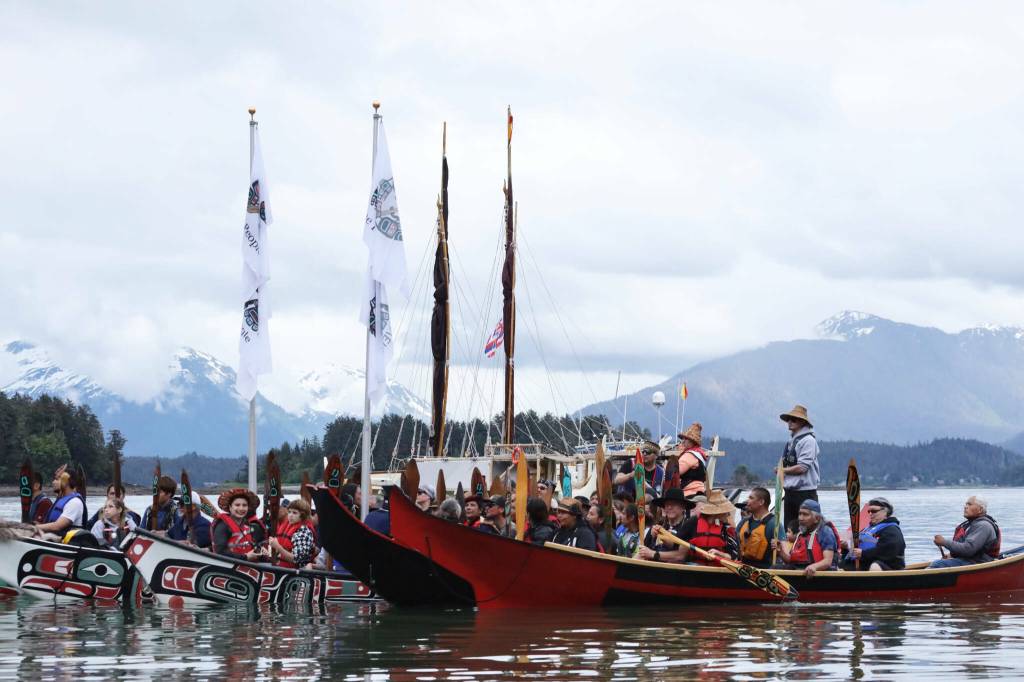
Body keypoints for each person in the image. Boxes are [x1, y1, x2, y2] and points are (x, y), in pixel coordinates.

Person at [659, 489, 738, 565]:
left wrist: (720, 554)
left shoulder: (727, 528)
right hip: (694, 568)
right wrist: (662, 535)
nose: (728, 514)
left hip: (718, 569)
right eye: (725, 512)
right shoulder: (692, 522)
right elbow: (676, 545)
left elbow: (734, 556)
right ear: (716, 513)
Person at [929, 496, 1001, 568]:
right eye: (966, 504)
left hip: (979, 562)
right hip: (971, 560)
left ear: (980, 509)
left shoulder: (983, 526)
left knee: (937, 564)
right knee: (939, 563)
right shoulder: (971, 524)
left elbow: (968, 549)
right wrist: (952, 555)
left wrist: (944, 542)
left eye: (969, 504)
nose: (965, 507)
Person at [772, 499, 837, 577]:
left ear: (817, 519)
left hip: (819, 573)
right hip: (799, 570)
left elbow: (827, 561)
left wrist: (814, 566)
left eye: (805, 514)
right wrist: (780, 551)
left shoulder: (825, 532)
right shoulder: (801, 533)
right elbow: (790, 560)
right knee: (774, 568)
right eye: (800, 514)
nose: (800, 518)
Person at [779, 405, 820, 527]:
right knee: (790, 528)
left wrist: (782, 471)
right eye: (789, 420)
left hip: (805, 493)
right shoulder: (791, 441)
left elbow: (802, 468)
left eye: (794, 419)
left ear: (802, 422)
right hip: (790, 492)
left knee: (808, 528)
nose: (790, 422)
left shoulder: (808, 440)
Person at [844, 497, 905, 571]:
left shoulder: (892, 530)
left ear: (885, 512)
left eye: (874, 511)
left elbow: (888, 551)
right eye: (869, 511)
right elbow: (854, 550)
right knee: (841, 565)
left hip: (887, 566)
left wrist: (863, 554)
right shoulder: (867, 529)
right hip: (864, 564)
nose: (870, 514)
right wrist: (845, 547)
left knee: (875, 566)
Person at [638, 487, 695, 563]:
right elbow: (642, 550)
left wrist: (653, 554)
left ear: (683, 507)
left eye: (674, 504)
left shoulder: (688, 526)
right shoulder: (658, 525)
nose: (669, 507)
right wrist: (651, 537)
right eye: (667, 504)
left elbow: (680, 556)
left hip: (673, 571)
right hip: (651, 568)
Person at [211, 488, 263, 561]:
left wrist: (260, 551)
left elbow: (251, 546)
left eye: (244, 505)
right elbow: (220, 552)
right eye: (237, 505)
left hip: (246, 568)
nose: (241, 508)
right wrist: (245, 557)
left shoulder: (247, 525)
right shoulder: (223, 525)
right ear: (230, 507)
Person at [35, 465, 87, 536]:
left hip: (68, 543)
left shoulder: (75, 502)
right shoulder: (60, 500)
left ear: (67, 482)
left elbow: (57, 526)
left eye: (58, 479)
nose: (53, 482)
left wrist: (33, 528)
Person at [736, 487, 778, 569]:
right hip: (741, 568)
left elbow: (782, 553)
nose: (747, 501)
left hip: (762, 572)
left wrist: (779, 547)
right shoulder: (744, 522)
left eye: (751, 498)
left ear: (761, 502)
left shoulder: (774, 524)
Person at [270, 498, 317, 568]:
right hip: (283, 568)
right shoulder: (289, 527)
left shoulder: (304, 531)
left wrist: (278, 547)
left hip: (297, 572)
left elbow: (296, 559)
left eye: (294, 513)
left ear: (303, 515)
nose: (290, 515)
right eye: (289, 512)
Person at [674, 422, 709, 499]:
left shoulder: (689, 455)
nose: (683, 441)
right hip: (699, 491)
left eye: (685, 439)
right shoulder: (698, 454)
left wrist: (669, 461)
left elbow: (675, 472)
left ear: (691, 441)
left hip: (689, 493)